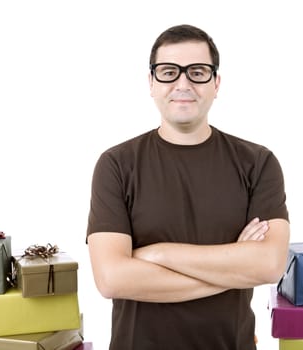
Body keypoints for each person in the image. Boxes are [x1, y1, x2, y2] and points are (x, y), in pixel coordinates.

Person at [86, 24, 290, 350]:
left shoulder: (258, 163)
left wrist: (157, 254)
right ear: (152, 83)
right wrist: (233, 267)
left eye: (197, 72)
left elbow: (268, 265)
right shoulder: (116, 165)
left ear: (216, 83)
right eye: (168, 72)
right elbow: (112, 279)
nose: (183, 83)